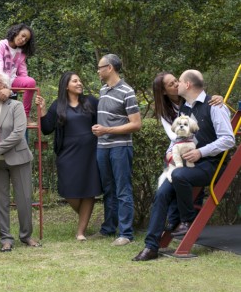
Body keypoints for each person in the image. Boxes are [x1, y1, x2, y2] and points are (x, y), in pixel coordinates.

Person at [133, 69, 235, 261]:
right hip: (189, 164)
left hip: (212, 164)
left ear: (187, 85)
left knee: (179, 176)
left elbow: (228, 140)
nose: (177, 84)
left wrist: (200, 152)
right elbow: (179, 138)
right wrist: (172, 153)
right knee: (162, 192)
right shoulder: (184, 109)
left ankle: (186, 220)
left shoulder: (215, 105)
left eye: (179, 81)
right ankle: (151, 246)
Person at [0, 73, 40, 252]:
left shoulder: (16, 106)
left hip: (18, 158)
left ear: (3, 85)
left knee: (24, 198)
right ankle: (5, 238)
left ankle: (26, 236)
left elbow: (18, 134)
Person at [153, 72, 224, 231]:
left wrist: (220, 99)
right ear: (164, 91)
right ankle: (174, 222)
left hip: (196, 151)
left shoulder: (191, 99)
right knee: (172, 184)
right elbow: (173, 135)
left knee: (192, 187)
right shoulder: (166, 110)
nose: (177, 84)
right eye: (171, 84)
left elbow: (205, 99)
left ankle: (190, 224)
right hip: (177, 148)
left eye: (177, 81)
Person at [36, 72, 101, 241]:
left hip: (90, 152)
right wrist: (43, 111)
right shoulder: (58, 105)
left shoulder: (91, 101)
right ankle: (84, 218)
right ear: (66, 85)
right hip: (67, 154)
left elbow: (102, 120)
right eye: (75, 81)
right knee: (69, 191)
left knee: (89, 190)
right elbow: (47, 129)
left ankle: (81, 231)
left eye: (80, 80)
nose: (79, 83)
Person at [91, 54, 141, 246]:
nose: (98, 70)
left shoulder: (127, 91)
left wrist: (107, 130)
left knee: (123, 190)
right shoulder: (103, 90)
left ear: (109, 68)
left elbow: (136, 124)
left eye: (100, 67)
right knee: (108, 190)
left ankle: (126, 234)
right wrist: (101, 130)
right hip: (102, 147)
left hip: (120, 147)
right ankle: (108, 229)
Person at [0, 23, 37, 125]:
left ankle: (25, 116)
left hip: (12, 81)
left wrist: (24, 82)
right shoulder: (1, 45)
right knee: (1, 120)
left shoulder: (21, 52)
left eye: (26, 40)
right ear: (16, 32)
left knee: (31, 82)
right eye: (23, 35)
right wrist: (4, 85)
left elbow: (22, 71)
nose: (23, 40)